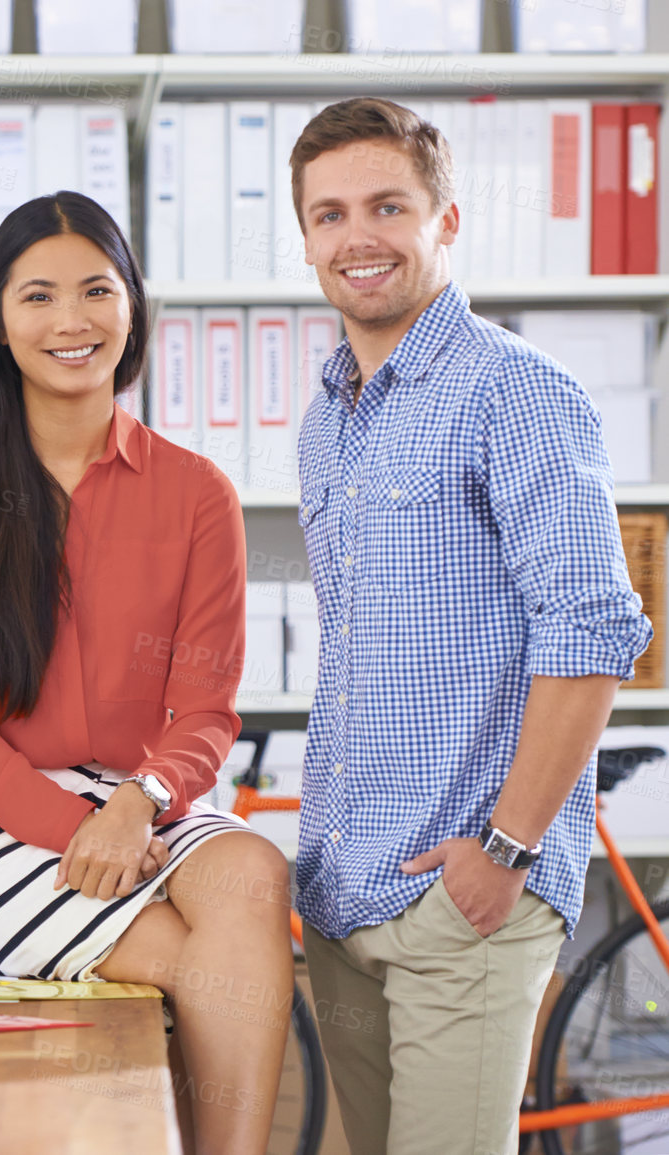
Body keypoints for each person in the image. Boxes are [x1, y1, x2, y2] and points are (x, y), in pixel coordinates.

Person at [0, 191, 293, 1154]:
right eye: (38, 296)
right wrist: (77, 826)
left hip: (148, 809)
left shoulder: (196, 491)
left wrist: (135, 807)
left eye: (96, 291)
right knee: (198, 969)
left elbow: (204, 708)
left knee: (251, 872)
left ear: (133, 309)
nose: (70, 321)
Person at [287, 98, 653, 1155]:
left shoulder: (518, 393)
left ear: (446, 221)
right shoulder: (325, 421)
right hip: (343, 896)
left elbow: (592, 632)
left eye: (388, 206)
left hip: (464, 897)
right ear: (306, 237)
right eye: (329, 214)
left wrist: (504, 850)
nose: (357, 236)